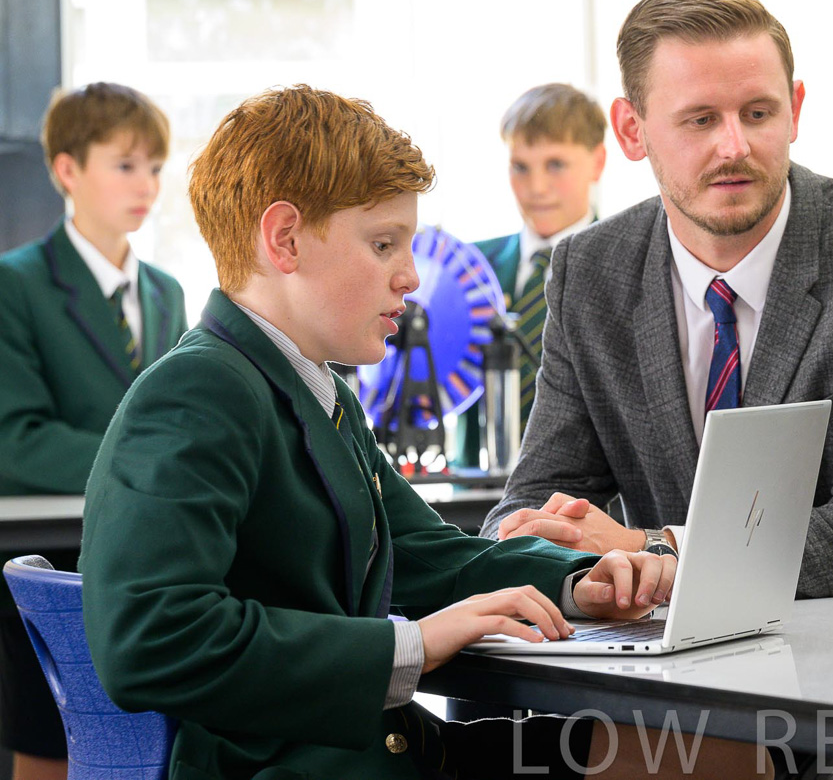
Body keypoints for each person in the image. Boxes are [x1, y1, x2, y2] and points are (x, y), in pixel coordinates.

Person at [78, 85, 731, 780]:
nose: (411, 277)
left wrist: (577, 584)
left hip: (376, 754)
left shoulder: (310, 388)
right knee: (709, 757)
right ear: (285, 239)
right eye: (383, 244)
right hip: (301, 768)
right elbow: (150, 640)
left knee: (718, 754)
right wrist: (410, 645)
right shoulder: (198, 392)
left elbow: (422, 552)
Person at [482, 0, 833, 609]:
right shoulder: (590, 272)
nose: (734, 147)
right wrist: (548, 551)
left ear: (795, 110)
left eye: (757, 113)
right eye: (701, 120)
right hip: (676, 653)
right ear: (632, 130)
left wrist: (657, 552)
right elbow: (534, 500)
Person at [0, 82, 185, 780]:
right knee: (52, 753)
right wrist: (150, 464)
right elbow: (15, 442)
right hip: (55, 560)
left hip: (152, 561)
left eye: (155, 167)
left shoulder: (167, 291)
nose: (146, 185)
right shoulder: (16, 284)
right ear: (67, 169)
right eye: (125, 164)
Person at [457, 84, 607, 467]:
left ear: (598, 162)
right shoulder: (468, 268)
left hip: (590, 493)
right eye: (520, 167)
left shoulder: (626, 268)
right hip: (476, 488)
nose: (536, 188)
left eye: (555, 165)